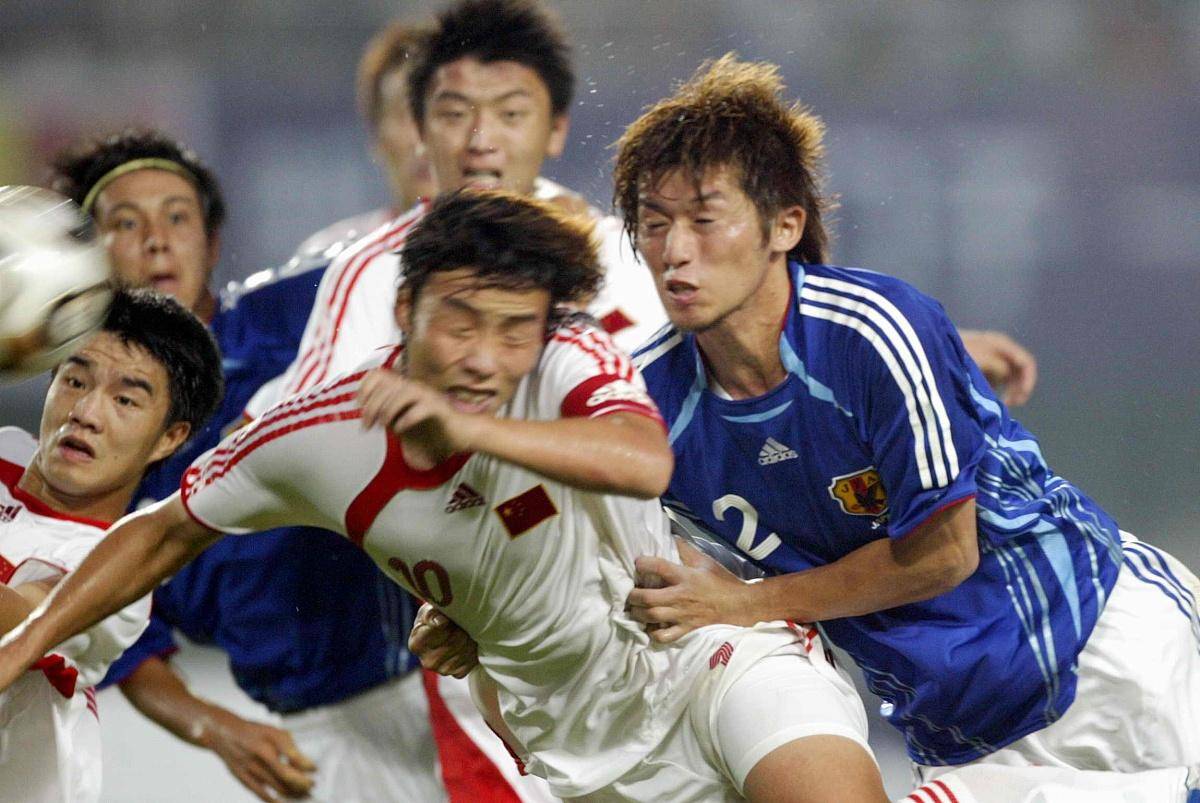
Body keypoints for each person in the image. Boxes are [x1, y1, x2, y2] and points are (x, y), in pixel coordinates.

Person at [0, 189, 893, 803]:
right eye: (460, 321)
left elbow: (640, 458)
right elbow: (161, 533)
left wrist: (468, 428)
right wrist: (18, 650)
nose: (485, 357)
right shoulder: (319, 436)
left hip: (709, 664)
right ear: (405, 312)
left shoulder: (569, 357)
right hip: (578, 752)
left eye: (513, 330)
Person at [611, 55, 1199, 780]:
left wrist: (748, 602)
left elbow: (944, 555)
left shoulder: (874, 332)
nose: (674, 252)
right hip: (960, 736)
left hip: (1104, 655)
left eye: (705, 220)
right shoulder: (645, 401)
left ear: (785, 224)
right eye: (654, 224)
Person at [51, 128, 440, 802]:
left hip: (439, 670)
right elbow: (108, 621)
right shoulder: (87, 413)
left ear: (213, 243)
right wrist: (215, 727)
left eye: (178, 216)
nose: (157, 240)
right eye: (127, 222)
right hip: (319, 727)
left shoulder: (305, 309)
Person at [0, 288, 223, 802]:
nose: (86, 412)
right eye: (75, 381)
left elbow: (19, 617)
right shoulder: (7, 448)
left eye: (125, 400)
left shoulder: (117, 577)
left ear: (170, 437)